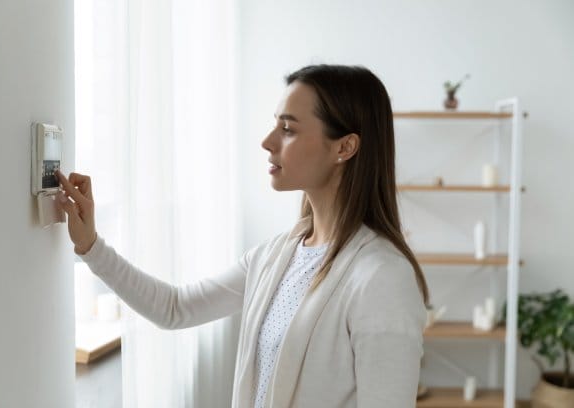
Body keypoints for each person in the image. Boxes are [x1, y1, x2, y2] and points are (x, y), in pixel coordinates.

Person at [56, 64, 430, 408]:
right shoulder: (275, 256)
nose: (267, 141)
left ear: (345, 147)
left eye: (288, 128)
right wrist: (90, 246)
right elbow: (175, 308)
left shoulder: (382, 278)